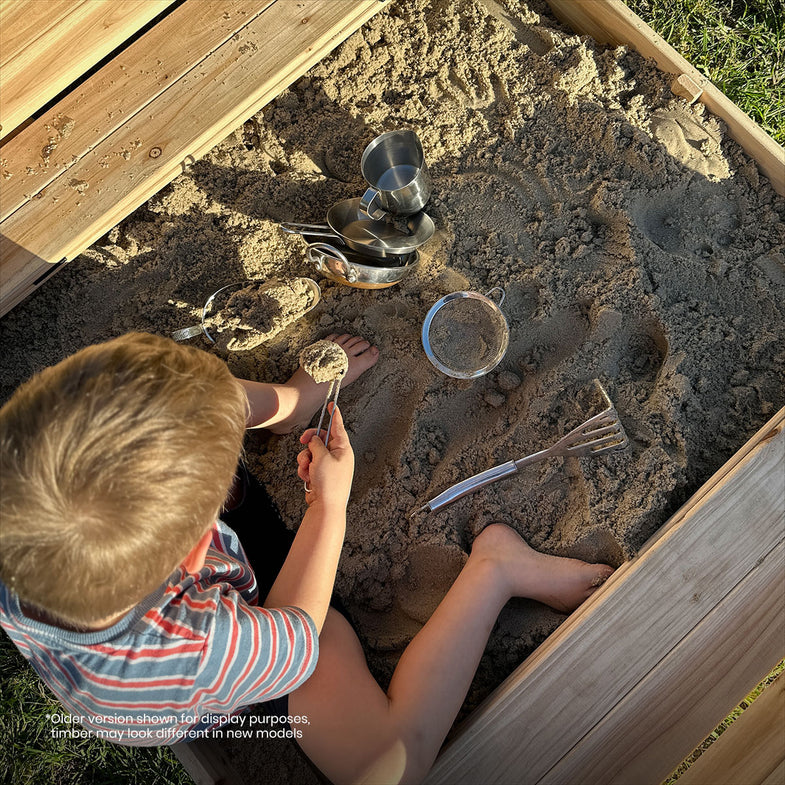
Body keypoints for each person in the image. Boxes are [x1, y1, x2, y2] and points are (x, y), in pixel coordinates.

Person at [0, 331, 613, 785]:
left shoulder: (21, 494)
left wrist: (289, 402)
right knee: (386, 769)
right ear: (197, 545)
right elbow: (296, 639)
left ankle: (284, 406)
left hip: (151, 571)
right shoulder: (191, 649)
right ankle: (496, 568)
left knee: (158, 403)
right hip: (230, 677)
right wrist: (329, 506)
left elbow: (169, 401)